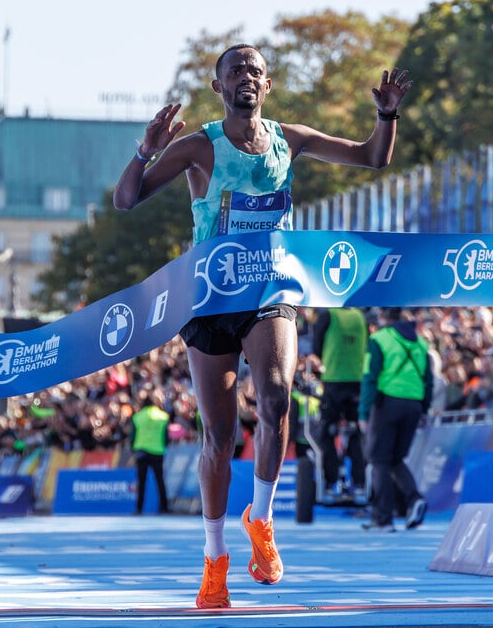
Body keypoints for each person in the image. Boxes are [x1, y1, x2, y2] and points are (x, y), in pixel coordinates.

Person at [113, 44, 412, 608]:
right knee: (219, 439)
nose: (245, 78)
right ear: (218, 87)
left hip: (271, 289)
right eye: (235, 72)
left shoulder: (289, 138)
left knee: (276, 404)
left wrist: (387, 115)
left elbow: (372, 158)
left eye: (254, 70)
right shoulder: (198, 147)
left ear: (267, 85)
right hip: (209, 297)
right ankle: (214, 557)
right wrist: (145, 152)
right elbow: (126, 200)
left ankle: (264, 521)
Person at [358, 308, 430, 532]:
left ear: (382, 317)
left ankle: (383, 519)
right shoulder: (420, 342)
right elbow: (428, 380)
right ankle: (414, 499)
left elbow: (370, 377)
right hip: (414, 405)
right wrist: (424, 410)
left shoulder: (379, 339)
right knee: (396, 459)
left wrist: (363, 412)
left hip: (388, 402)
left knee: (379, 460)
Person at [310, 307, 369, 501]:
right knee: (356, 432)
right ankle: (360, 484)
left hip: (333, 382)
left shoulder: (328, 315)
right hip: (357, 383)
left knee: (326, 431)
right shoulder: (361, 317)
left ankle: (330, 481)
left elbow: (316, 349)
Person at [130, 386, 171, 515]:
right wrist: (163, 446)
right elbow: (166, 437)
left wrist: (133, 448)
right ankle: (164, 507)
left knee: (141, 482)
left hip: (141, 451)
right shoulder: (163, 417)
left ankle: (139, 508)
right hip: (157, 451)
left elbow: (132, 436)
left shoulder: (137, 417)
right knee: (160, 480)